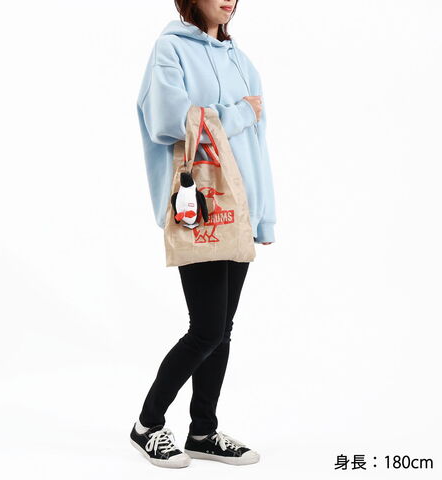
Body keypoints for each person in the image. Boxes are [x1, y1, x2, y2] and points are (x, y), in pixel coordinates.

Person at [130, 0, 276, 468]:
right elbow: (167, 121)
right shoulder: (169, 49)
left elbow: (258, 147)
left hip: (241, 211)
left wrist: (264, 216)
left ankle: (202, 432)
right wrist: (239, 113)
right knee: (207, 329)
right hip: (202, 209)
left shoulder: (242, 61)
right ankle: (147, 425)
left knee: (221, 330)